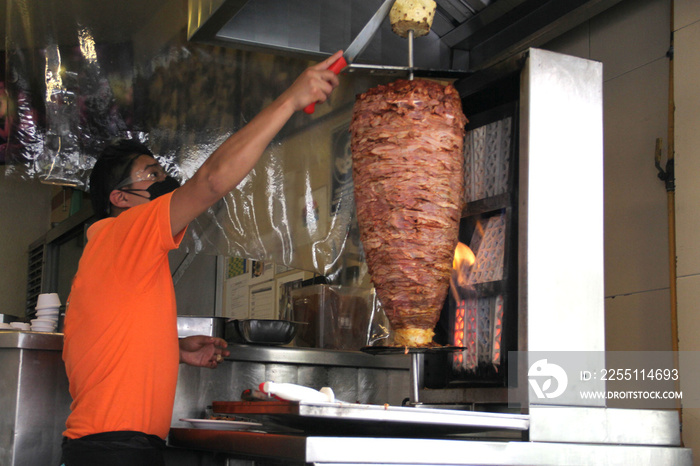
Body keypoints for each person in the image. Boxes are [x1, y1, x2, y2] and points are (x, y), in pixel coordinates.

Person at [61, 50, 342, 466]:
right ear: (118, 199)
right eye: (151, 175)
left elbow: (100, 344)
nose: (164, 182)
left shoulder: (112, 251)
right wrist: (290, 100)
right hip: (113, 451)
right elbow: (210, 181)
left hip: (110, 448)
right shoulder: (123, 231)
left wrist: (173, 349)